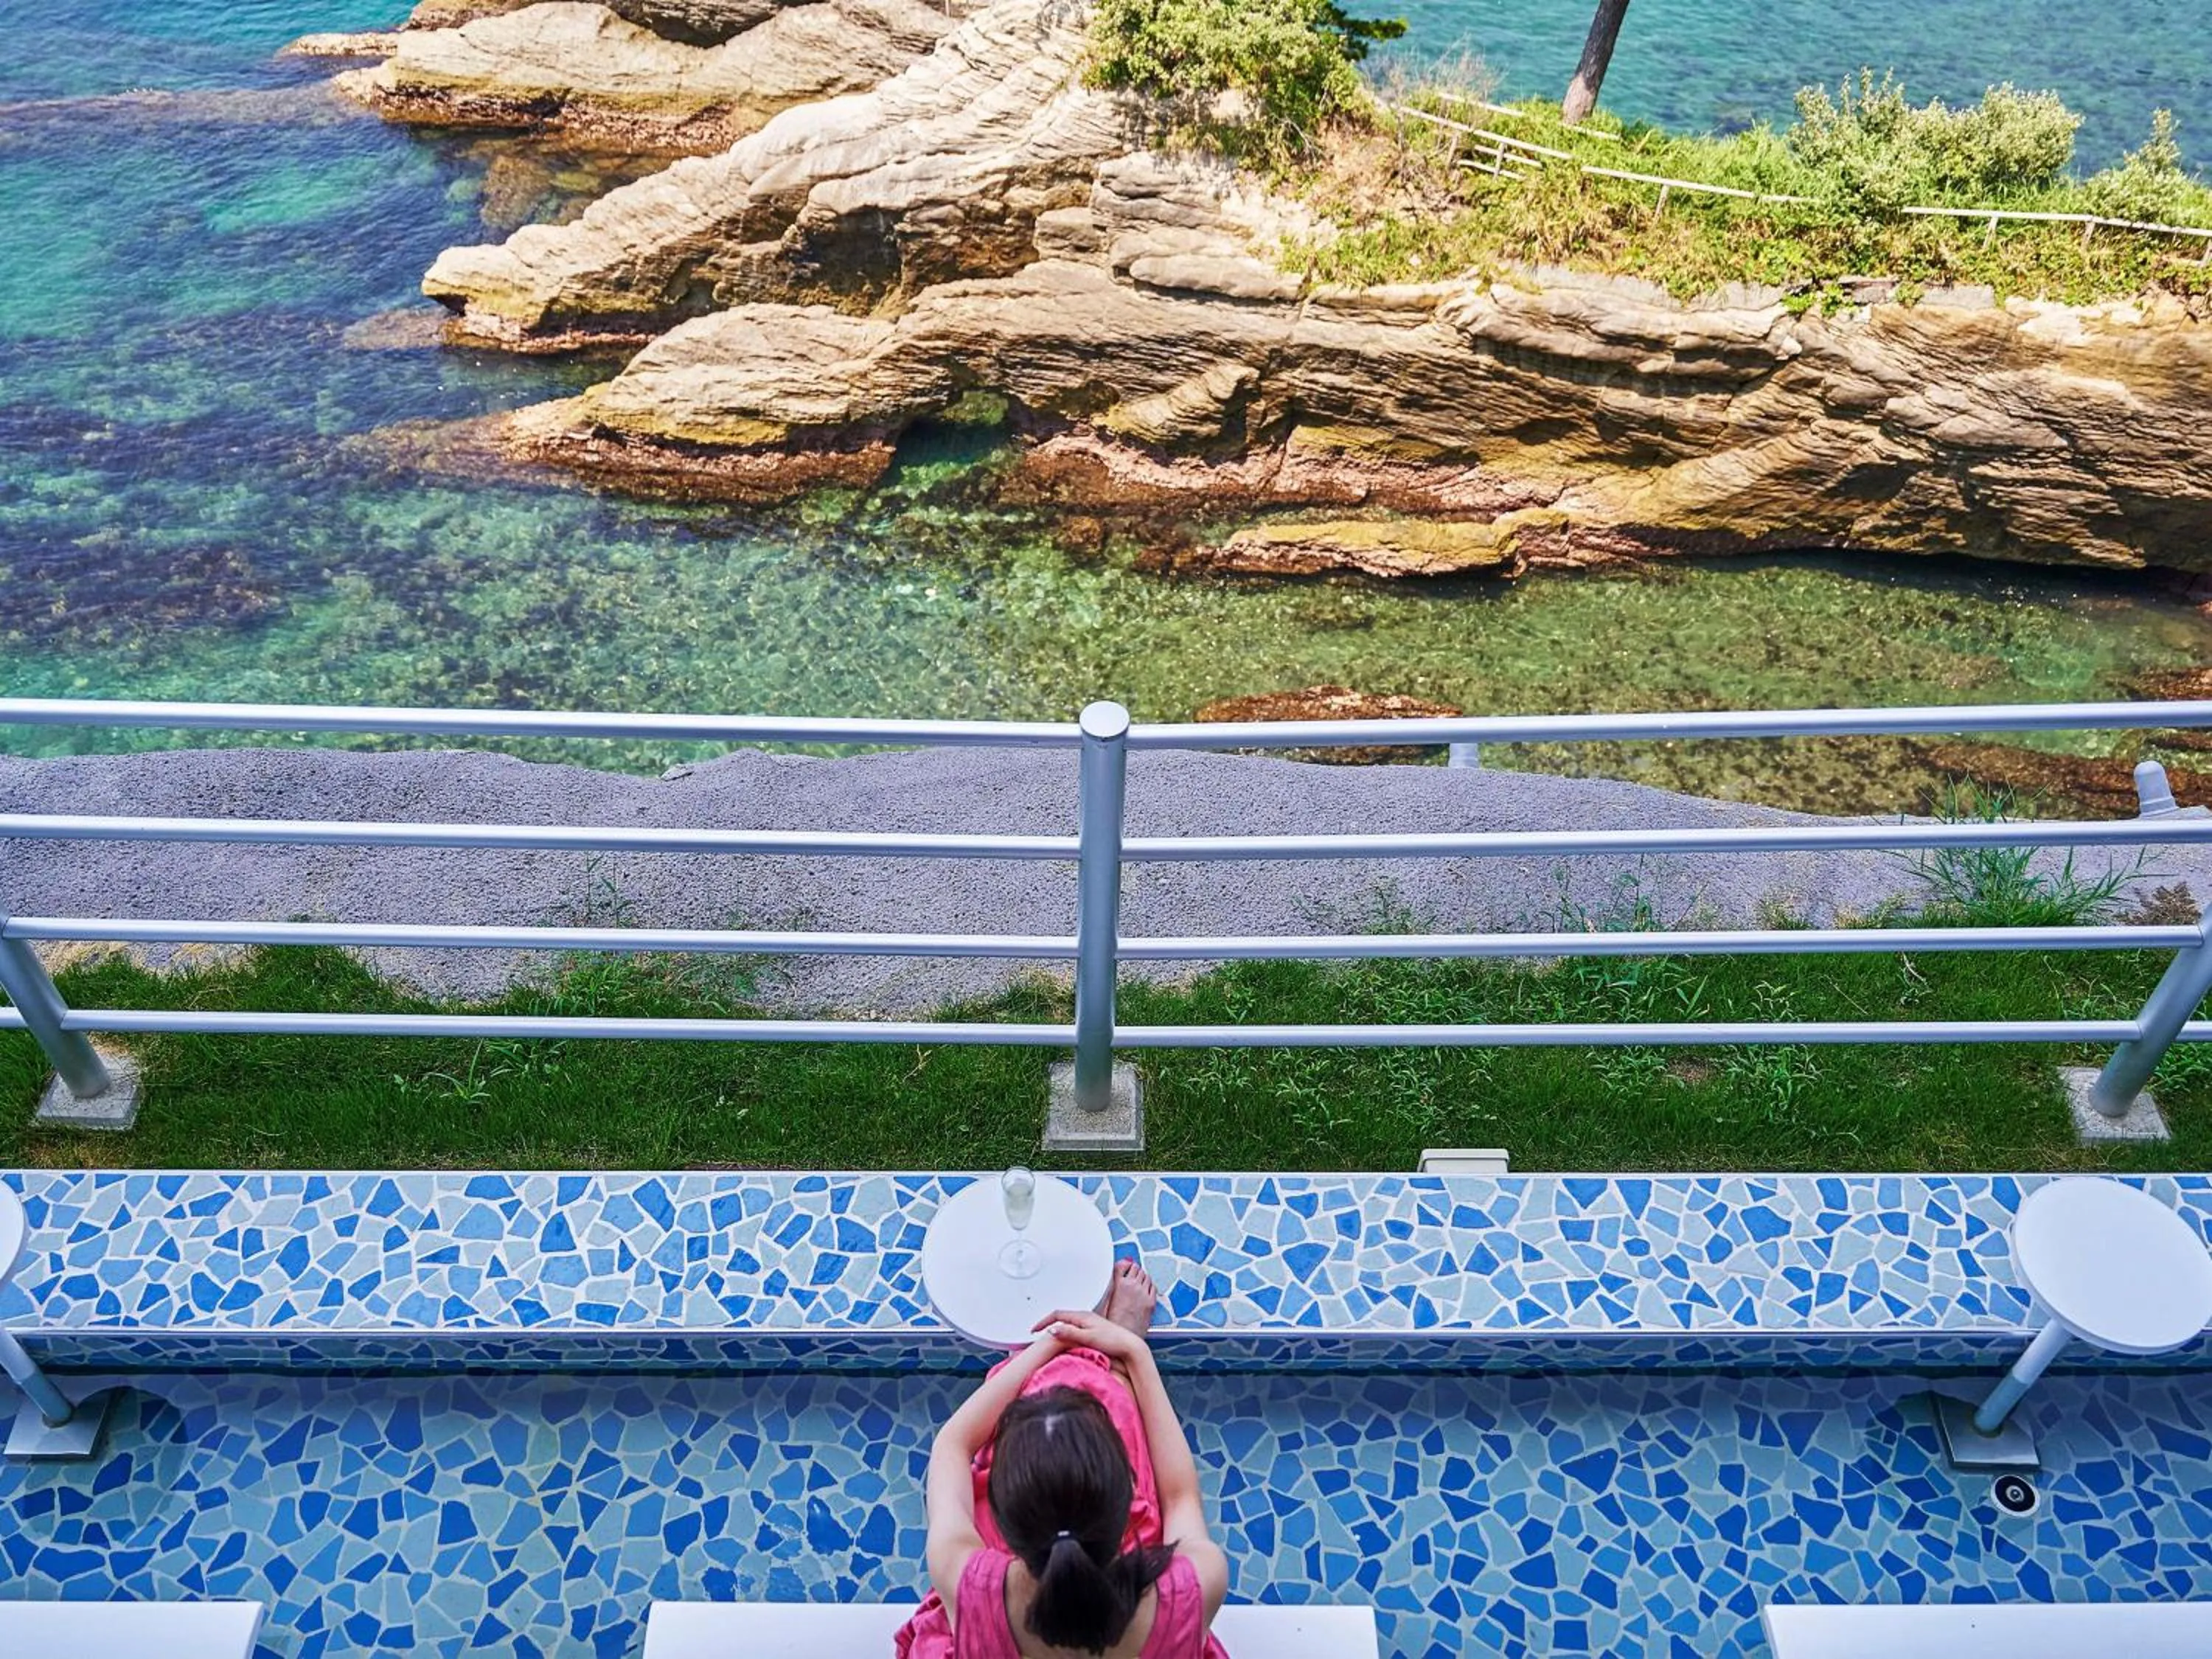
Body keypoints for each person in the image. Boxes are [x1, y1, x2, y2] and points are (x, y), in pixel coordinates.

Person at [895, 1259, 1231, 1659]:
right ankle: (1113, 1370)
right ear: (1132, 1495)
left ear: (1003, 1524)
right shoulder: (1191, 1592)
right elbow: (1179, 1497)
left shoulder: (970, 1586)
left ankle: (1073, 1369)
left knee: (1051, 1409)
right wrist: (1134, 1352)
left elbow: (953, 1444)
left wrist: (1049, 1344)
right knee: (1105, 1412)